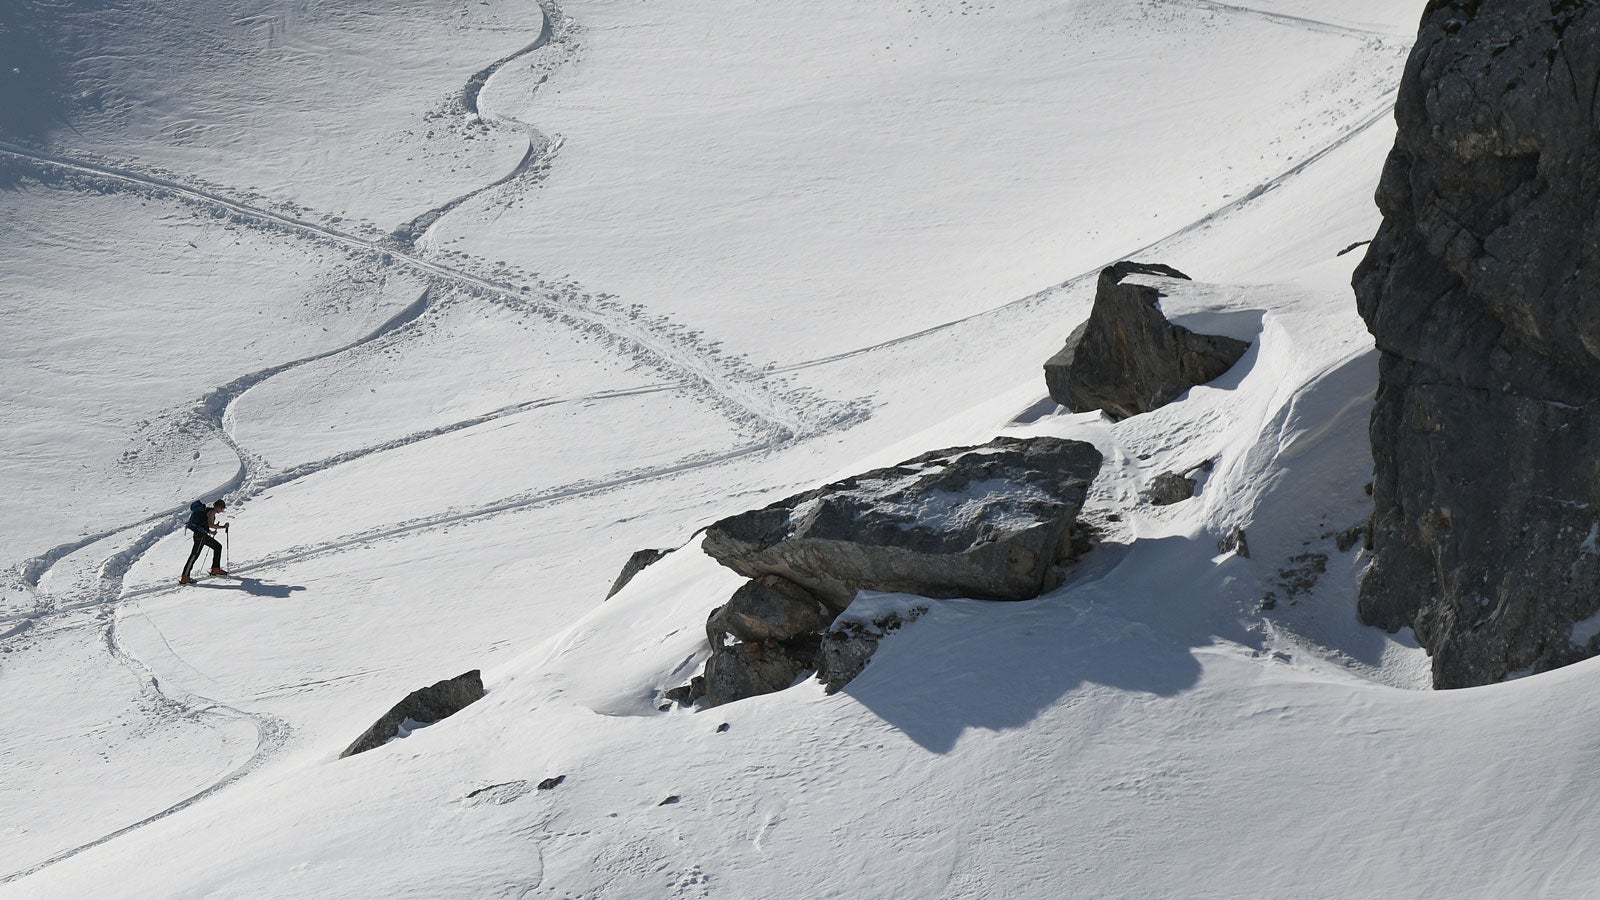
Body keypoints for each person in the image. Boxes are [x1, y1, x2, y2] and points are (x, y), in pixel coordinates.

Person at [180, 499, 229, 585]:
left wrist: (211, 532)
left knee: (218, 546)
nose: (222, 511)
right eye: (222, 509)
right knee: (194, 555)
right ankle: (185, 577)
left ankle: (215, 568)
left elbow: (204, 524)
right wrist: (222, 527)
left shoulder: (208, 510)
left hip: (201, 535)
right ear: (218, 507)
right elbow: (210, 524)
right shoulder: (212, 512)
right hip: (200, 537)